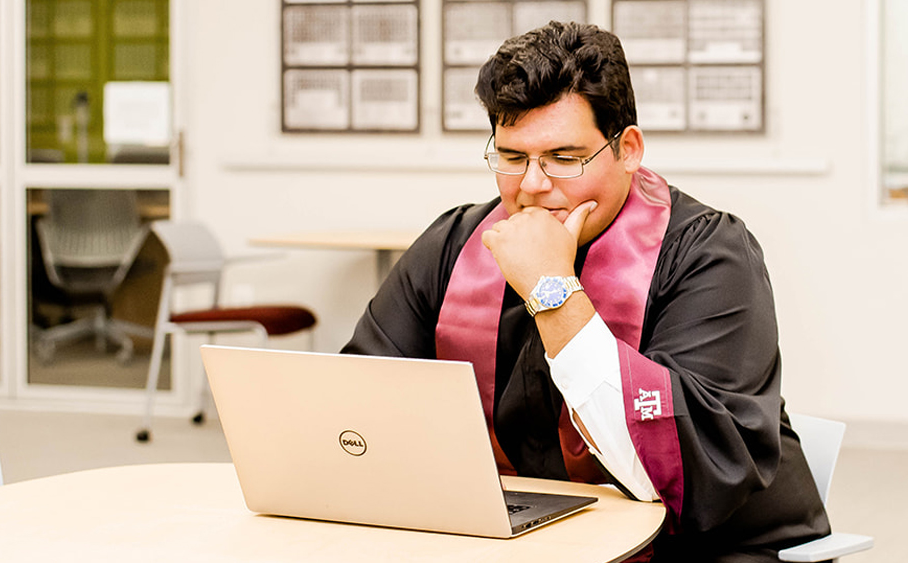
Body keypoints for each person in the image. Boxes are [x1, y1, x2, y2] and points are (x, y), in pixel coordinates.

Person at [342, 21, 829, 562]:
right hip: (535, 542)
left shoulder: (709, 255)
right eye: (512, 157)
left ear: (628, 149)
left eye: (564, 157)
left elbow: (685, 475)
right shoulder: (453, 247)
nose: (531, 186)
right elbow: (362, 407)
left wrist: (553, 291)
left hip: (708, 548)